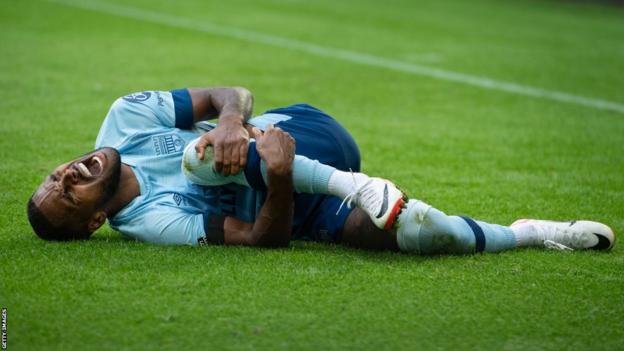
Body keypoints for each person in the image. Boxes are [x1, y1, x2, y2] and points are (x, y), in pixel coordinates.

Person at [27, 87, 616, 253]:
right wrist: (279, 178)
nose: (66, 176)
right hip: (296, 200)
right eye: (68, 195)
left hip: (305, 132)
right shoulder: (148, 222)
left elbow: (232, 92)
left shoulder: (124, 117)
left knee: (198, 157)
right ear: (95, 222)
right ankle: (536, 233)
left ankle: (357, 185)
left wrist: (231, 121)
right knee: (416, 231)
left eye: (55, 177)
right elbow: (262, 240)